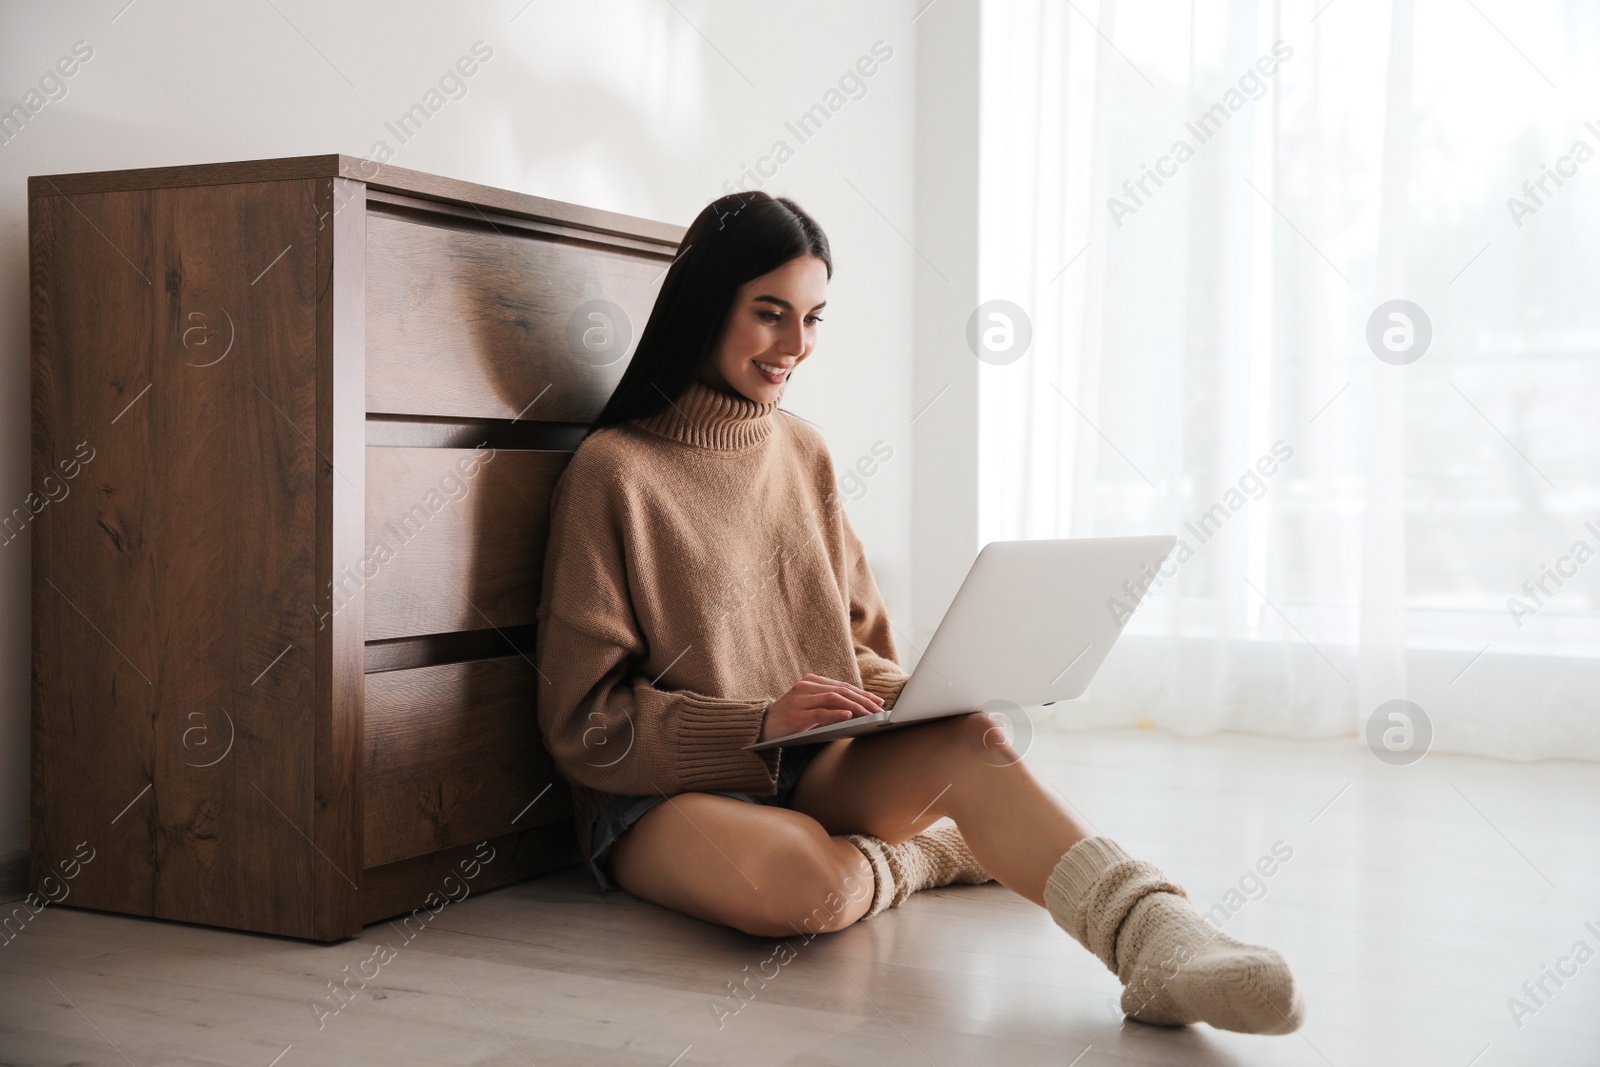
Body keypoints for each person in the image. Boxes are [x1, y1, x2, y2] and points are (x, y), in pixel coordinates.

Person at [533, 190, 1305, 1035]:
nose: (796, 346)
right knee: (810, 888)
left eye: (815, 318)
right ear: (705, 303)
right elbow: (585, 724)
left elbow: (860, 646)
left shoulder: (804, 451)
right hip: (659, 797)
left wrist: (914, 704)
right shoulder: (613, 473)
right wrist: (753, 721)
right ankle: (938, 848)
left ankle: (1160, 940)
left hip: (810, 763)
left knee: (974, 738)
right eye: (770, 313)